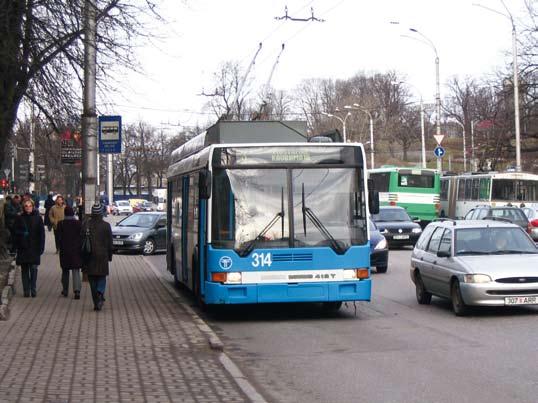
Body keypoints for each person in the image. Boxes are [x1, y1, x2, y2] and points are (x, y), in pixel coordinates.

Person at [82, 203, 113, 311]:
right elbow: (110, 243)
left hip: (89, 256)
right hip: (102, 255)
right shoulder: (106, 225)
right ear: (101, 213)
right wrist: (110, 256)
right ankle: (100, 293)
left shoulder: (86, 224)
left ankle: (96, 301)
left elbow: (81, 241)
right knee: (101, 277)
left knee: (92, 279)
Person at [13, 199, 45, 297]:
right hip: (23, 248)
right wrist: (16, 246)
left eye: (29, 206)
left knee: (34, 269)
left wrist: (41, 247)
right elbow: (15, 233)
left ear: (33, 206)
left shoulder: (38, 218)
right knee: (25, 270)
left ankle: (33, 288)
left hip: (34, 248)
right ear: (23, 207)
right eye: (26, 206)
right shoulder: (19, 218)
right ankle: (26, 290)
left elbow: (42, 234)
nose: (28, 208)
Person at [57, 206, 82, 299]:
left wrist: (60, 247)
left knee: (65, 271)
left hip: (65, 250)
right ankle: (77, 291)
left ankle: (65, 290)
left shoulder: (61, 223)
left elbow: (58, 237)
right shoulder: (78, 223)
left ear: (65, 213)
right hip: (76, 250)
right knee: (76, 271)